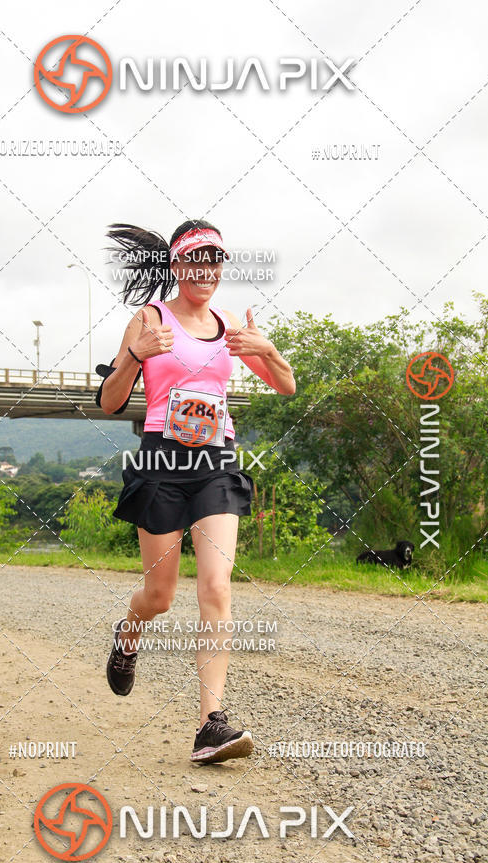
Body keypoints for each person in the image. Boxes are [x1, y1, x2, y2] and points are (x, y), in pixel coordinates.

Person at [99, 219, 296, 763]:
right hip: (162, 460)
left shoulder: (229, 324)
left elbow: (286, 383)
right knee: (159, 597)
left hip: (215, 462)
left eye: (215, 261)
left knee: (216, 587)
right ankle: (128, 632)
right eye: (196, 259)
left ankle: (211, 723)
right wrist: (136, 356)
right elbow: (110, 402)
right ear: (178, 264)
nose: (206, 271)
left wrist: (268, 348)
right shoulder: (151, 318)